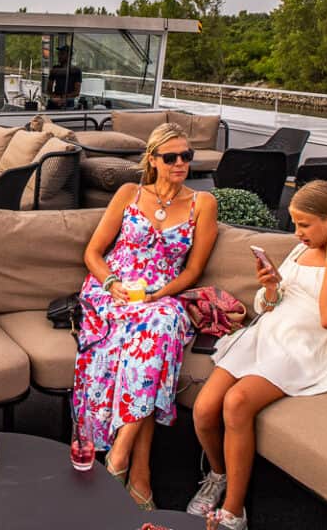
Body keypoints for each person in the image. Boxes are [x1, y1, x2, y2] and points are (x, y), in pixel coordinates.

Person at [186, 181, 327, 529]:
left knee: (237, 402)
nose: (297, 232)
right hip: (264, 335)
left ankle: (233, 510)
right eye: (295, 223)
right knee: (203, 408)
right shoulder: (298, 252)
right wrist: (271, 287)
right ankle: (218, 473)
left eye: (304, 224)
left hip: (302, 349)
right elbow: (270, 307)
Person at [72, 124, 218, 510]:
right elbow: (93, 254)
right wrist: (112, 283)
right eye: (170, 157)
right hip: (112, 291)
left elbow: (193, 273)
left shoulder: (203, 203)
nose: (180, 164)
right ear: (152, 159)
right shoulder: (128, 194)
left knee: (162, 322)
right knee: (151, 338)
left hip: (161, 293)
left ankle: (120, 456)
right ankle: (139, 476)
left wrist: (156, 294)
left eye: (186, 156)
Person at [47, 44, 82, 109]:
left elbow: (77, 92)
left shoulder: (76, 71)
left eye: (62, 54)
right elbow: (49, 89)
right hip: (55, 100)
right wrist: (55, 97)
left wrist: (64, 97)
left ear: (69, 56)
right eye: (59, 54)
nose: (59, 56)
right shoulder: (55, 69)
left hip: (69, 101)